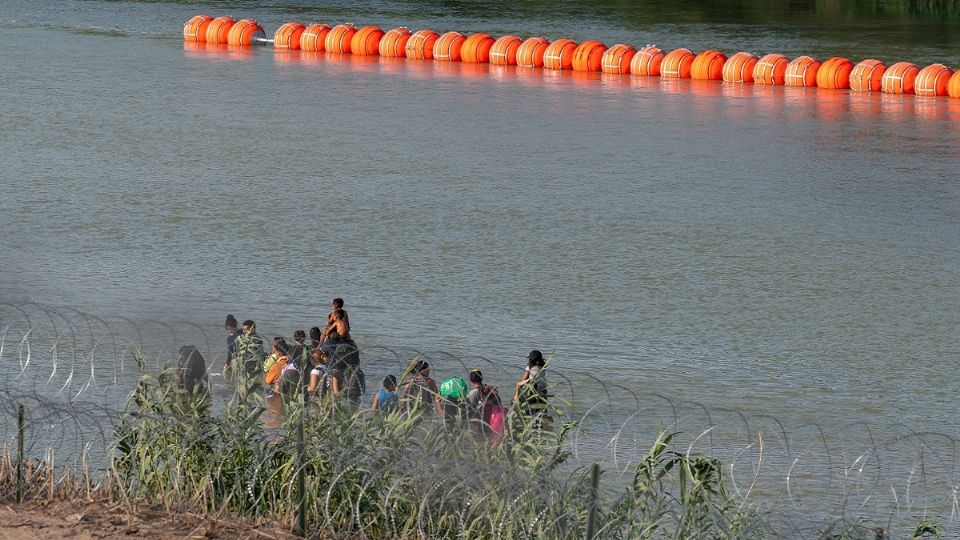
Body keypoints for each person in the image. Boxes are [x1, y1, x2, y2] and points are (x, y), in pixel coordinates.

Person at [513, 350, 550, 427]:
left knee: (529, 412)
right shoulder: (544, 366)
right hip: (542, 390)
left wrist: (518, 391)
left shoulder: (530, 366)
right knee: (540, 412)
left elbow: (524, 378)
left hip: (532, 389)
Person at [466, 369, 504, 437]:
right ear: (482, 378)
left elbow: (469, 411)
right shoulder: (491, 391)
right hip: (493, 424)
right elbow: (499, 405)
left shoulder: (472, 394)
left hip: (479, 428)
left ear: (470, 380)